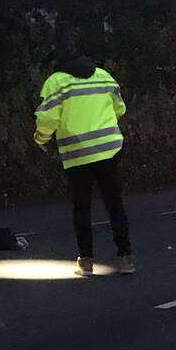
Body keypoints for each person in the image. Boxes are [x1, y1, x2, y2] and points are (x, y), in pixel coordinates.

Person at [34, 50, 135, 277]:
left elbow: (48, 117)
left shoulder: (57, 82)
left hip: (77, 155)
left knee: (82, 207)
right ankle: (126, 257)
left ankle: (87, 262)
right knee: (114, 204)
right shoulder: (103, 76)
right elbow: (120, 108)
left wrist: (41, 139)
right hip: (109, 150)